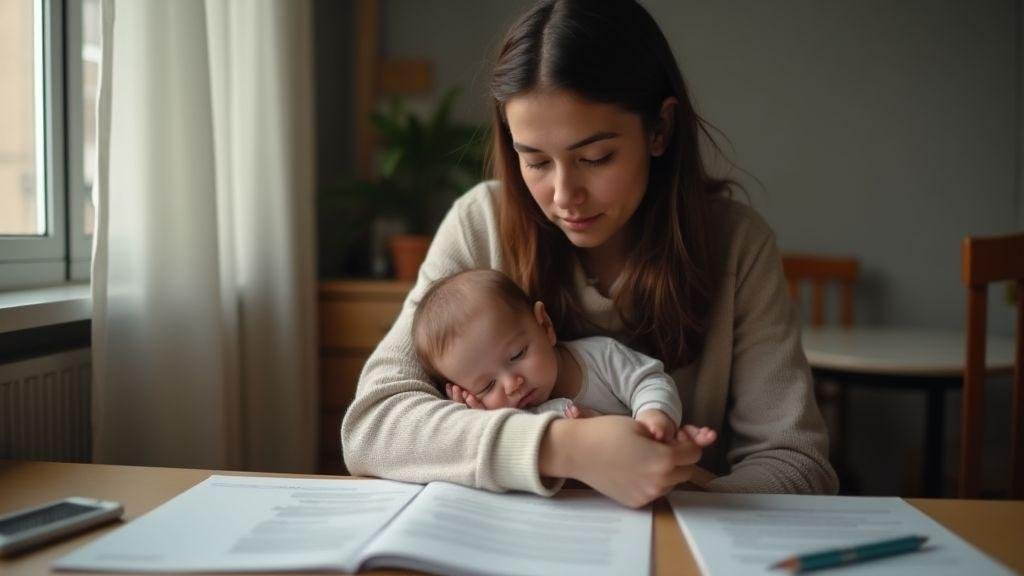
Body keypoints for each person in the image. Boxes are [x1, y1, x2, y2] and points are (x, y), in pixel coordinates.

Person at [342, 0, 838, 507]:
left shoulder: (738, 245)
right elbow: (372, 424)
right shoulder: (482, 223)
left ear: (660, 130)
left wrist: (663, 482)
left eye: (595, 158)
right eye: (535, 161)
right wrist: (563, 448)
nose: (564, 195)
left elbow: (797, 465)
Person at [412, 268, 718, 447]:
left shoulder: (601, 358)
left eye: (518, 354)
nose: (511, 385)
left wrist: (653, 418)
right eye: (486, 386)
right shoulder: (509, 418)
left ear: (544, 325)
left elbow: (650, 381)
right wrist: (475, 420)